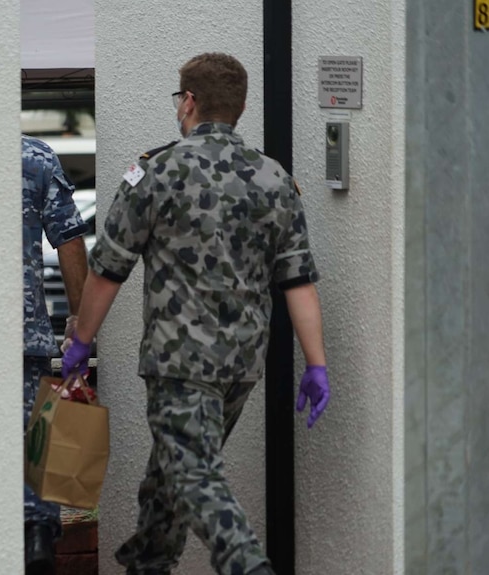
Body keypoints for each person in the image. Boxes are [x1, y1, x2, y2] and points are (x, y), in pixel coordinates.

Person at [61, 53, 330, 575]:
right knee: (171, 476)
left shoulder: (157, 172)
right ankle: (148, 563)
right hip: (240, 368)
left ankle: (248, 565)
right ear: (241, 107)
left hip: (179, 362)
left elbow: (109, 268)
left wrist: (81, 339)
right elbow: (297, 280)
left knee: (195, 475)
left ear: (188, 101)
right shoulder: (275, 180)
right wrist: (316, 364)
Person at [21, 134, 89, 575]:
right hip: (23, 335)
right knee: (34, 446)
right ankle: (38, 536)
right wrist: (80, 329)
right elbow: (69, 242)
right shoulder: (34, 156)